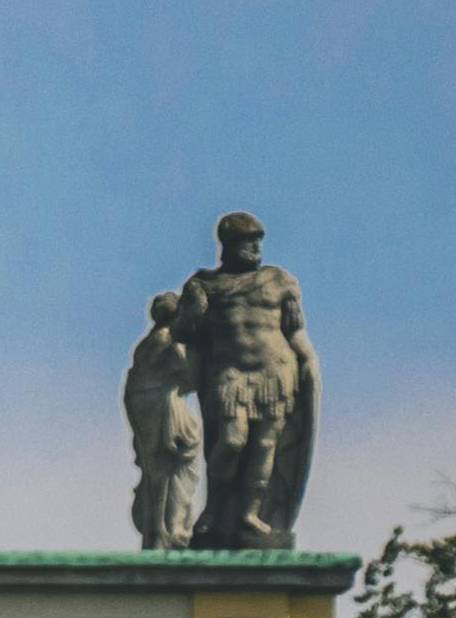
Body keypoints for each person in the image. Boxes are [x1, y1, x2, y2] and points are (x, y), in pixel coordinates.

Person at [173, 209, 317, 549]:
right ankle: (215, 508)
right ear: (227, 244)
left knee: (266, 446)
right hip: (231, 374)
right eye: (247, 241)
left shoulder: (281, 281)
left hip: (276, 372)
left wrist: (309, 363)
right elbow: (182, 331)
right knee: (232, 441)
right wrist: (191, 312)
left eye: (257, 241)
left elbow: (295, 332)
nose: (255, 249)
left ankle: (250, 515)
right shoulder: (204, 284)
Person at [121, 288, 197, 551]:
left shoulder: (145, 345)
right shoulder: (171, 340)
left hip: (150, 410)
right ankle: (170, 530)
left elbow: (132, 387)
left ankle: (158, 531)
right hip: (166, 410)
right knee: (172, 470)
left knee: (159, 472)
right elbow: (191, 374)